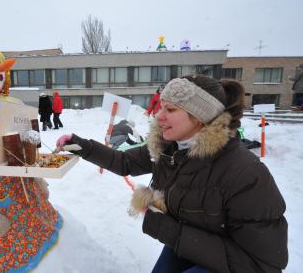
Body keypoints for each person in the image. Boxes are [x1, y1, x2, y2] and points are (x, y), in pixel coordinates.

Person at [56, 75, 288, 273]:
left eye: (170, 109)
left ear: (199, 116)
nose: (159, 116)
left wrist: (170, 231)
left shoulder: (244, 173)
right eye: (161, 107)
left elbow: (264, 264)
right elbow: (125, 161)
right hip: (188, 242)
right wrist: (83, 146)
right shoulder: (171, 149)